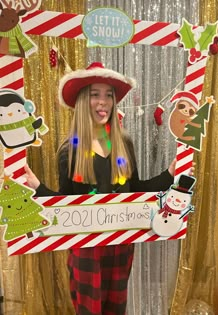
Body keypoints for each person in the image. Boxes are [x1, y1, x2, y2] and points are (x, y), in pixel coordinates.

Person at [25, 62, 177, 315]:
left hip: (121, 244)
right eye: (95, 94)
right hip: (86, 248)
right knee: (89, 309)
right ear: (84, 101)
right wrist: (37, 187)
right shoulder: (70, 151)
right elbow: (64, 208)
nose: (103, 102)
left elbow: (136, 190)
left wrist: (170, 174)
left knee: (116, 308)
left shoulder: (123, 145)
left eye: (108, 95)